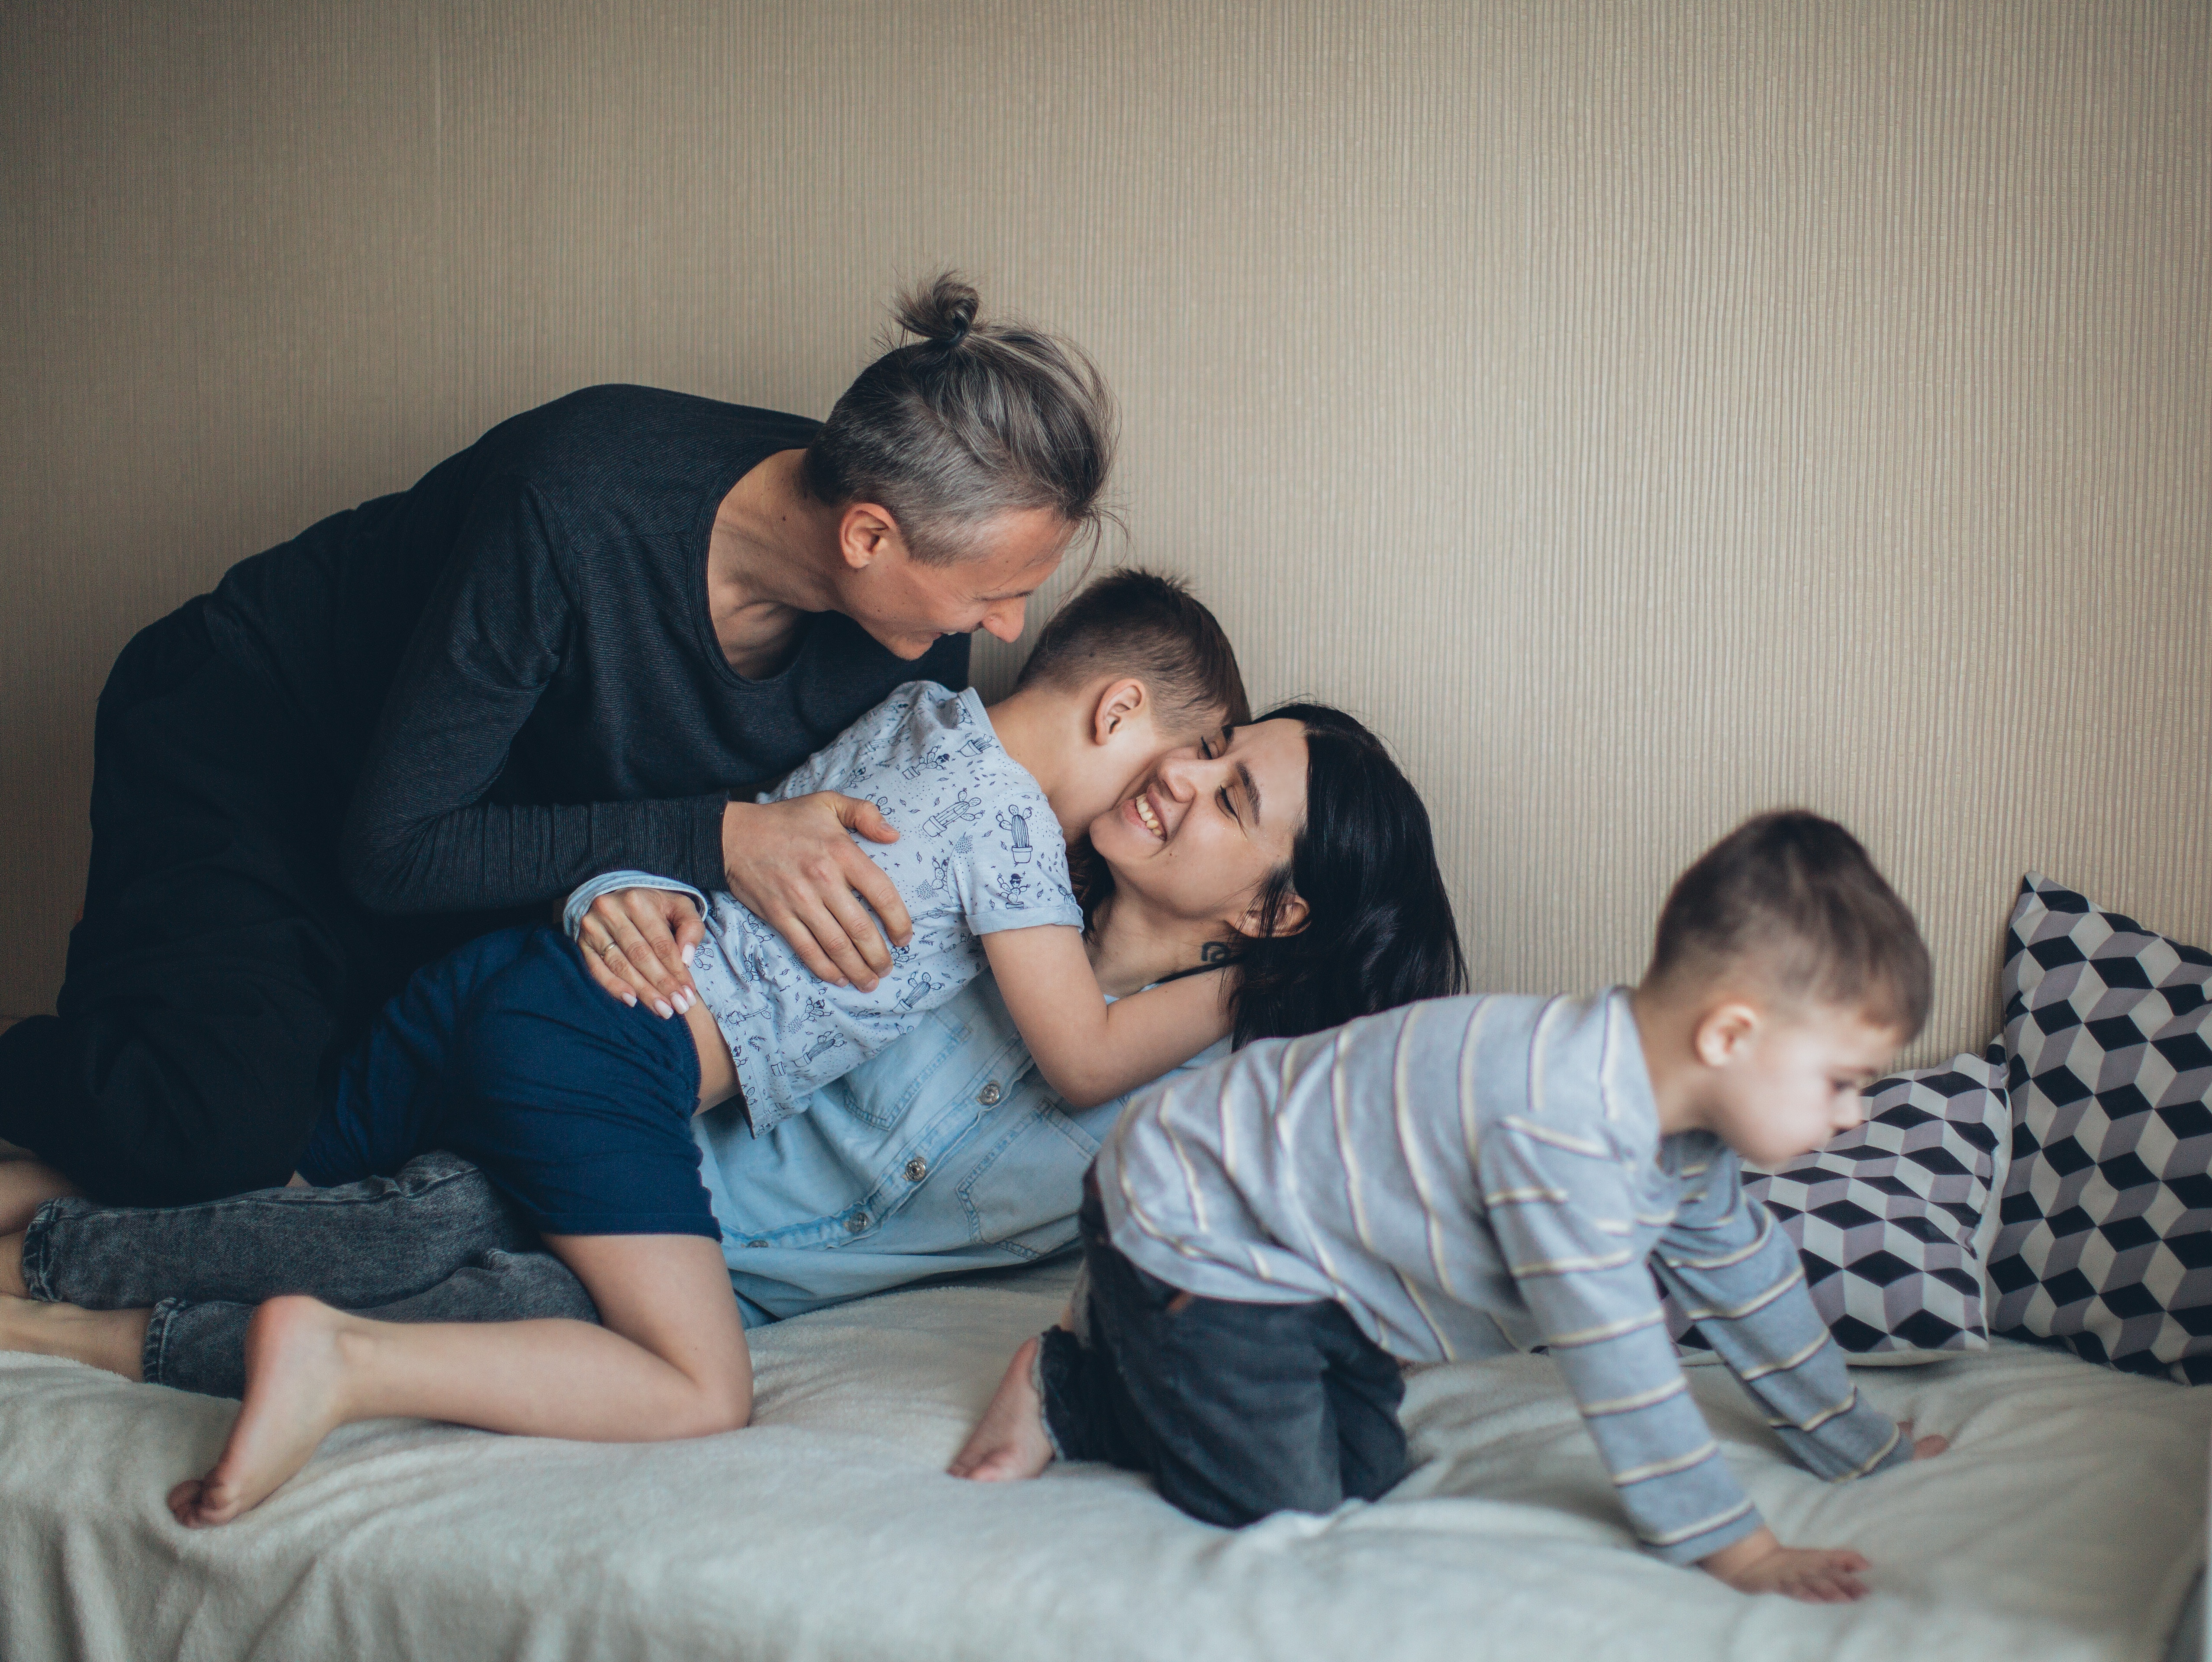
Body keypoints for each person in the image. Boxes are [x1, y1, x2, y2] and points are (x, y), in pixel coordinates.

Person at [0, 273, 1111, 1221]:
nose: (1011, 629)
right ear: (869, 536)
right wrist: (704, 838)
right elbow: (396, 849)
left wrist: (627, 880)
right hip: (261, 741)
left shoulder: (911, 649)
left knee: (397, 1138)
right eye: (1000, 593)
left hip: (481, 834)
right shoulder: (576, 503)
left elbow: (751, 872)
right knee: (210, 1133)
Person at [0, 697, 1467, 1401]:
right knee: (433, 1208)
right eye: (1213, 750)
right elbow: (739, 869)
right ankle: (44, 1227)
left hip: (679, 1274)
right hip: (597, 1136)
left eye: (1228, 796)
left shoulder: (1214, 1105)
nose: (1180, 776)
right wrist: (611, 898)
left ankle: (59, 1316)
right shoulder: (971, 880)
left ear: (1278, 909)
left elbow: (1309, 1233)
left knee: (487, 1292)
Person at [950, 810, 1951, 1604]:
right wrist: (1742, 1552)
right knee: (1278, 1499)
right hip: (1196, 1215)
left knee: (1367, 1471)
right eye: (1842, 1081)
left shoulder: (1676, 1135)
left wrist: (1856, 1443)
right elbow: (1622, 1362)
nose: (1855, 1117)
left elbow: (1746, 1276)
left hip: (1313, 1260)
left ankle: (1151, 1351)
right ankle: (1069, 1386)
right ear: (1730, 1035)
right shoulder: (1561, 1130)